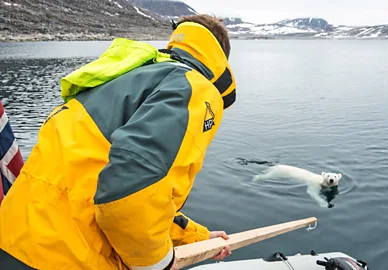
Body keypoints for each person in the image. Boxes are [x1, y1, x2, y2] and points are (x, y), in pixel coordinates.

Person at [0, 14, 237, 270]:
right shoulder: (195, 88)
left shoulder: (121, 75)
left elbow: (107, 185)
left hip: (14, 238)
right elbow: (129, 195)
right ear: (221, 59)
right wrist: (157, 264)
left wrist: (195, 238)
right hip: (67, 257)